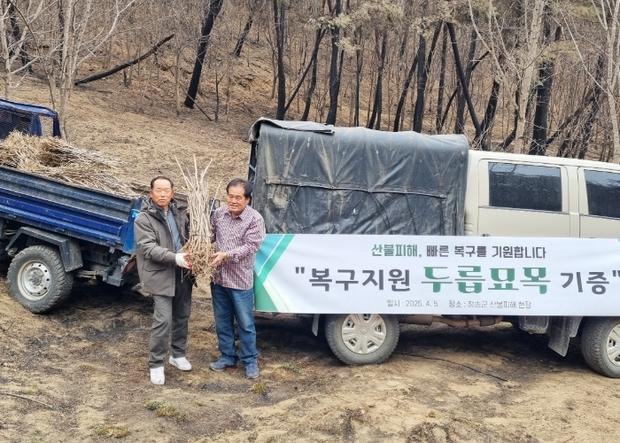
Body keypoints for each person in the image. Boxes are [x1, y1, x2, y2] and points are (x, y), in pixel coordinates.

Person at [135, 176, 194, 385]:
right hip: (160, 275)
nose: (162, 194)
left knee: (182, 315)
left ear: (172, 192)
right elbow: (148, 248)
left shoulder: (181, 213)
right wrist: (175, 257)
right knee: (163, 320)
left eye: (166, 190)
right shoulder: (144, 219)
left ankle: (177, 355)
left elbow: (190, 237)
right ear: (150, 193)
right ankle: (156, 364)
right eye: (158, 190)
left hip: (183, 273)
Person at [209, 178, 265, 379]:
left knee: (245, 323)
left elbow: (251, 246)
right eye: (230, 196)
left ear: (247, 199)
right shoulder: (218, 214)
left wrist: (226, 255)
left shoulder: (255, 219)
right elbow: (211, 236)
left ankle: (250, 361)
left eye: (238, 198)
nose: (233, 201)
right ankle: (227, 356)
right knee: (222, 321)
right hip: (218, 278)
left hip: (240, 280)